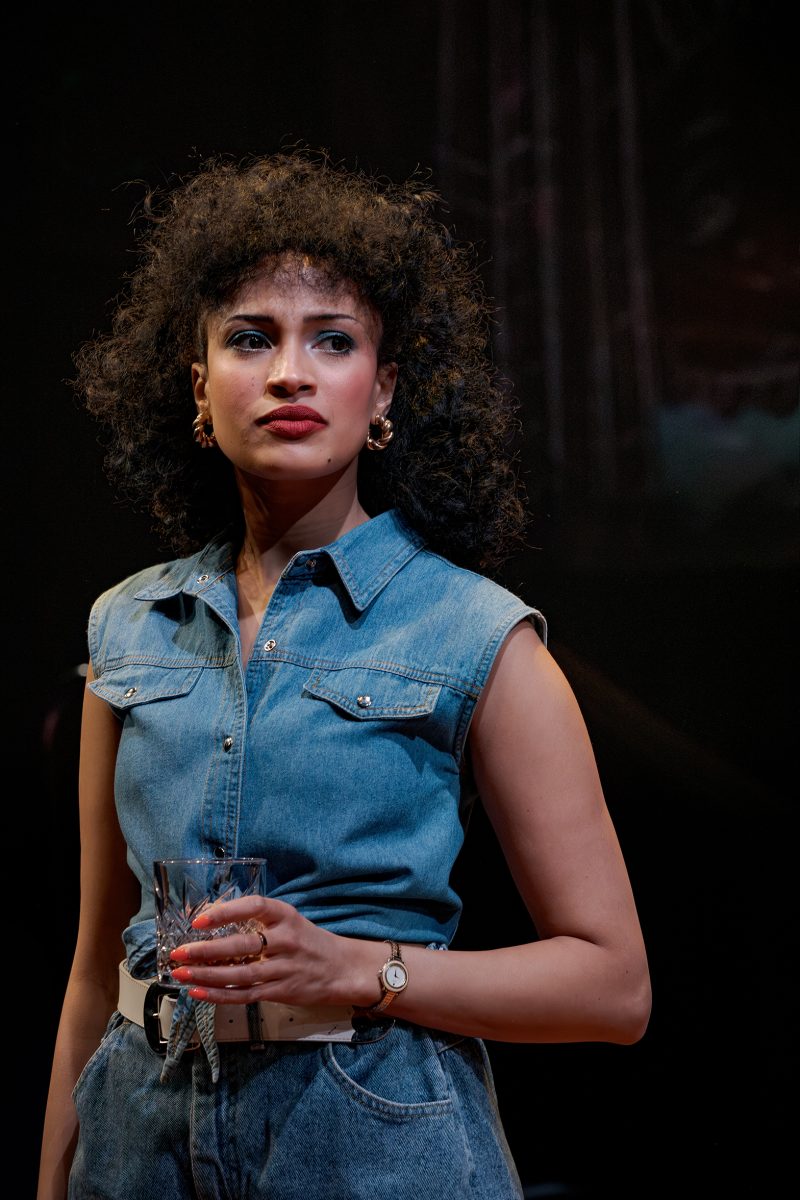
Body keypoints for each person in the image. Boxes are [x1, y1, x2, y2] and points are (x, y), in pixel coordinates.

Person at [38, 150, 651, 1200]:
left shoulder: (473, 633)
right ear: (198, 388)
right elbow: (97, 964)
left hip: (372, 1142)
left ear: (384, 391)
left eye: (333, 340)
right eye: (249, 339)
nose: (290, 373)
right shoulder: (129, 626)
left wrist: (357, 968)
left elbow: (612, 986)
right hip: (138, 1145)